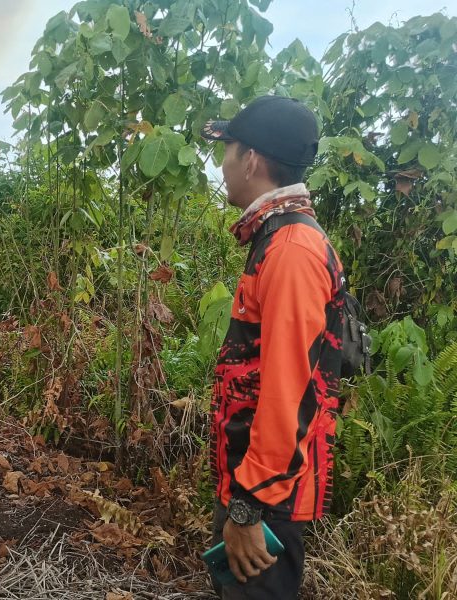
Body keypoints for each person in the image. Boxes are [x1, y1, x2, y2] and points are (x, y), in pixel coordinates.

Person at [200, 96, 346, 598]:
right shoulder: (276, 238)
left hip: (266, 498)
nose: (222, 165)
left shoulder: (290, 251)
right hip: (255, 485)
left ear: (252, 161)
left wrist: (247, 508)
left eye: (228, 150)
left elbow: (289, 393)